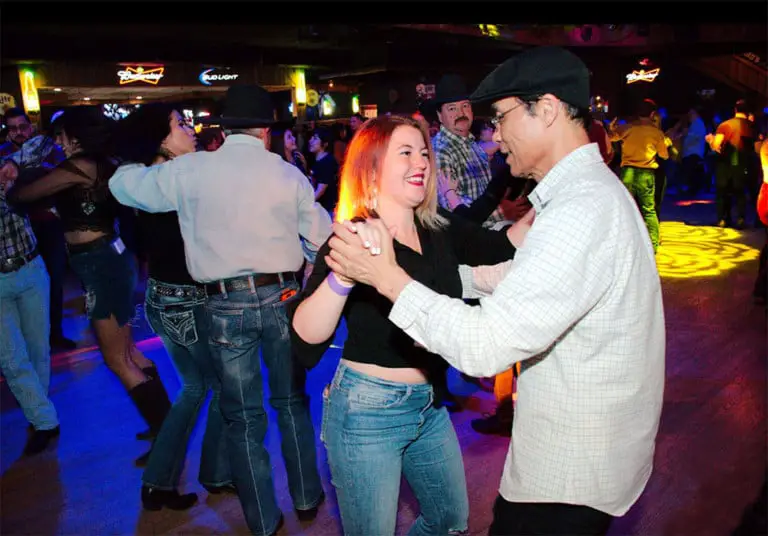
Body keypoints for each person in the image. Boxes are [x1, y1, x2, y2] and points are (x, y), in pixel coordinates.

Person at [325, 46, 665, 536]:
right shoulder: (587, 194)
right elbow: (524, 277)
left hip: (568, 475)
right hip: (584, 457)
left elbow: (485, 347)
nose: (497, 135)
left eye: (503, 117)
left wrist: (389, 279)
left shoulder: (580, 210)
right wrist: (439, 280)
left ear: (545, 110)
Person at [108, 84, 330, 536]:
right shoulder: (287, 175)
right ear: (266, 131)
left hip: (223, 304)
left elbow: (122, 186)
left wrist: (131, 152)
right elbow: (322, 238)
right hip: (283, 297)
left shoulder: (192, 171)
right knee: (290, 402)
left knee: (242, 416)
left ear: (226, 130)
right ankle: (307, 496)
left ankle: (264, 522)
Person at [290, 114, 523, 536]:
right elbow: (306, 335)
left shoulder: (437, 228)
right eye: (405, 152)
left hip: (429, 404)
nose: (421, 161)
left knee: (448, 522)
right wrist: (343, 276)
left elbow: (501, 244)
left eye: (423, 152)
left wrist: (551, 201)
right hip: (367, 412)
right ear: (373, 167)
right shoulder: (354, 235)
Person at [4, 107, 171, 466]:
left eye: (61, 136)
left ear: (75, 135)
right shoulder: (98, 163)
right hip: (108, 259)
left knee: (117, 359)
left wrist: (13, 174)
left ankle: (167, 438)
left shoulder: (77, 166)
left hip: (100, 265)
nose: (58, 144)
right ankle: (166, 425)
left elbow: (23, 195)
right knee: (130, 353)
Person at [113, 103, 232, 511]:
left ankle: (185, 477)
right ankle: (168, 479)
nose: (191, 129)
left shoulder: (155, 178)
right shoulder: (162, 180)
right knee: (205, 388)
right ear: (162, 139)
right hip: (182, 300)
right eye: (180, 124)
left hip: (169, 298)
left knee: (207, 387)